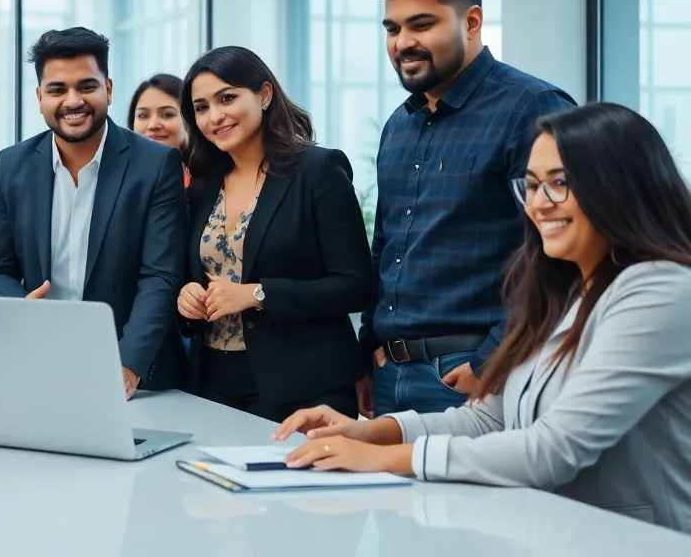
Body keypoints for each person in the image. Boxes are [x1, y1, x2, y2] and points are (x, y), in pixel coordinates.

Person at [275, 103, 691, 533]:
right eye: (530, 186)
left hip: (632, 540)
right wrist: (372, 433)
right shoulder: (563, 290)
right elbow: (487, 418)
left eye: (560, 184)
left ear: (620, 187)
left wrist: (382, 460)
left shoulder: (660, 289)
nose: (539, 204)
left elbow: (554, 449)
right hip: (554, 532)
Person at [359, 0, 575, 417]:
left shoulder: (534, 108)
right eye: (392, 29)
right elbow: (387, 245)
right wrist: (368, 348)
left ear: (471, 21)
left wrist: (494, 357)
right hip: (389, 373)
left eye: (421, 25)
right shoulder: (400, 124)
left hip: (476, 373)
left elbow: (564, 250)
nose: (402, 43)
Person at [0, 27, 188, 398]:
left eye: (86, 86)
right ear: (40, 97)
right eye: (57, 90)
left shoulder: (156, 164)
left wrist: (128, 362)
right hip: (37, 360)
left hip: (137, 375)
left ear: (108, 88)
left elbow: (160, 275)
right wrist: (21, 309)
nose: (73, 101)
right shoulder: (11, 165)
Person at [176, 47, 369, 422]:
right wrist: (187, 297)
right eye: (201, 107)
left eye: (227, 98)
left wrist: (257, 294)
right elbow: (197, 274)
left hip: (304, 383)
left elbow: (355, 285)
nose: (215, 116)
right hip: (213, 380)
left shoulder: (318, 171)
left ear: (264, 95)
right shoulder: (201, 186)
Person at [128, 72, 190, 187]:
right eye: (143, 115)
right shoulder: (117, 178)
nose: (153, 125)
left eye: (167, 115)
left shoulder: (210, 180)